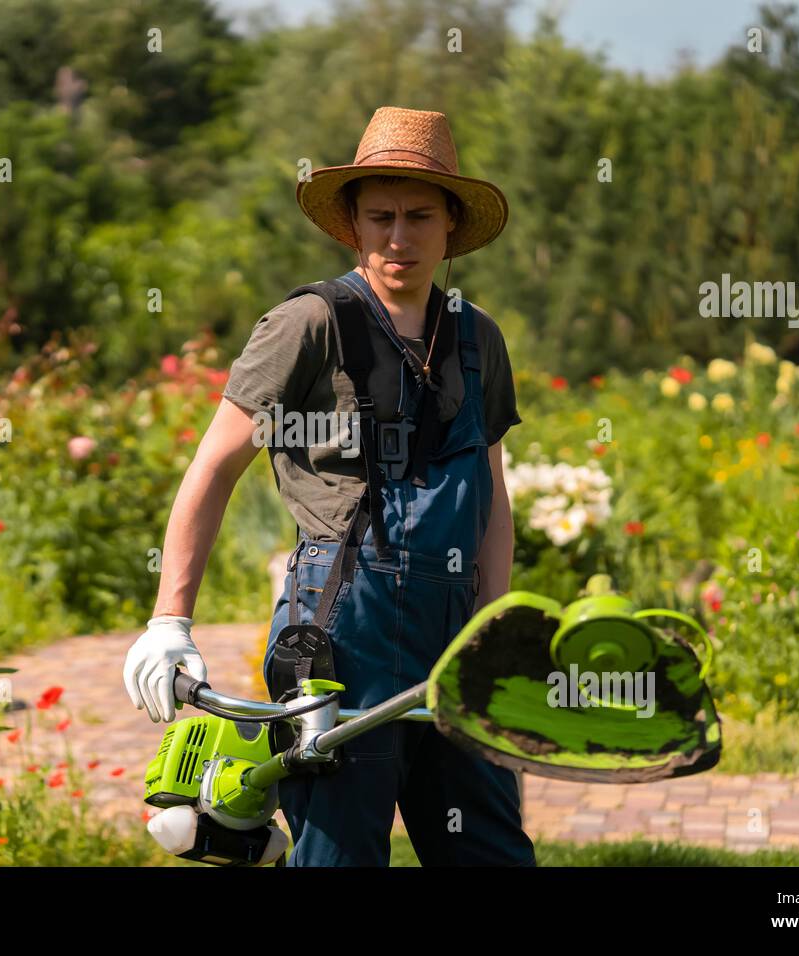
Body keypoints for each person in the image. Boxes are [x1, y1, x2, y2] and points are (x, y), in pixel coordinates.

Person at [123, 106, 536, 866]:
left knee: (490, 850)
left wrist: (494, 626)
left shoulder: (479, 338)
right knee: (341, 853)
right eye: (379, 216)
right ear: (352, 224)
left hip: (454, 638)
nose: (398, 238)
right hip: (340, 632)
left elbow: (491, 494)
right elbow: (213, 468)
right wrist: (169, 621)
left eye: (419, 216)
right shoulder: (308, 323)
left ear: (452, 226)